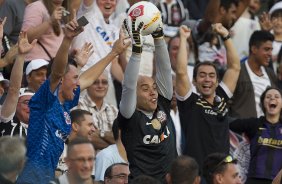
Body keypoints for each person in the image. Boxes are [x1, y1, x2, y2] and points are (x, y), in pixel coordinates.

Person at [17, 16, 130, 184]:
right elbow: (56, 72)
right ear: (62, 80)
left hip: (47, 178)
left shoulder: (65, 105)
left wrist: (113, 53)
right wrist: (68, 38)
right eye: (75, 78)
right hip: (31, 179)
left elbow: (88, 79)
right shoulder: (44, 101)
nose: (78, 82)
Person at [118, 18, 177, 182]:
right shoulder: (130, 117)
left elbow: (165, 69)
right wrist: (136, 52)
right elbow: (129, 86)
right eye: (145, 89)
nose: (152, 92)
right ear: (134, 97)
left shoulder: (162, 106)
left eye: (154, 87)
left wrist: (159, 39)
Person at [175, 23, 240, 168]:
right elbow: (181, 71)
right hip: (198, 173)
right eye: (202, 75)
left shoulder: (221, 98)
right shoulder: (189, 102)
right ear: (194, 81)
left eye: (211, 76)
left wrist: (225, 36)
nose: (207, 80)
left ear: (217, 82)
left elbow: (235, 67)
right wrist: (184, 39)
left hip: (222, 171)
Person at [230, 87, 282, 184]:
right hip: (254, 180)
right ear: (263, 103)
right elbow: (230, 124)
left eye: (277, 96)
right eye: (268, 97)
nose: (272, 99)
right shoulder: (254, 124)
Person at [229, 30, 278, 119]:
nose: (270, 54)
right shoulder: (237, 72)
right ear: (254, 49)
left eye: (271, 50)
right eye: (267, 49)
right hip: (243, 130)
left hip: (268, 130)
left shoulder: (270, 74)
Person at [0, 31, 37, 137]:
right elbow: (13, 90)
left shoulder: (2, 112)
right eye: (26, 102)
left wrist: (21, 56)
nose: (1, 89)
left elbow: (13, 90)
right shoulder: (8, 119)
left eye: (2, 86)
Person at [76, 72, 117, 151]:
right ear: (87, 85)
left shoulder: (114, 110)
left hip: (112, 162)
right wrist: (112, 146)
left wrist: (100, 133)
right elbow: (86, 137)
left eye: (104, 82)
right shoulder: (78, 105)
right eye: (95, 82)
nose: (100, 86)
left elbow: (120, 139)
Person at [56, 109, 96, 176]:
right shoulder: (56, 147)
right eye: (90, 125)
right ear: (75, 126)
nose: (94, 129)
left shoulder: (89, 152)